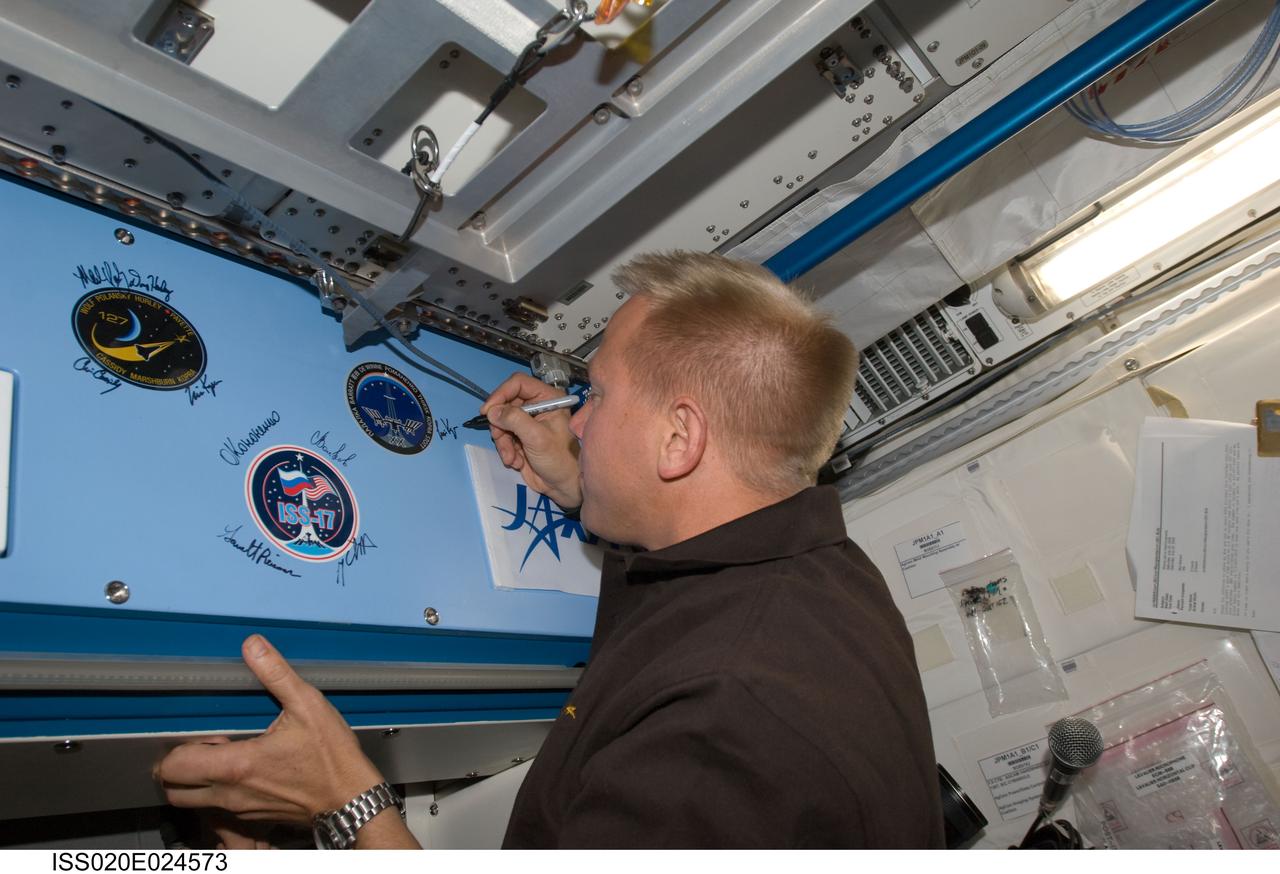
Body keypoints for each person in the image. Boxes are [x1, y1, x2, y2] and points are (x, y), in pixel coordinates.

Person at [156, 251, 944, 849]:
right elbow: (694, 581)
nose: (575, 421)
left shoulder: (728, 727)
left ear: (679, 439)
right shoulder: (822, 574)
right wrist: (590, 484)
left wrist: (346, 803)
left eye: (594, 396)